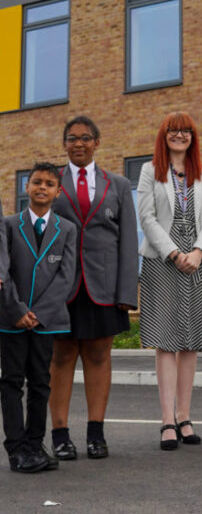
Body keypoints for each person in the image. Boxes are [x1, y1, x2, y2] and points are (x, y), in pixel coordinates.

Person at [49, 115, 138, 461]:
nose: (79, 144)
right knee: (61, 357)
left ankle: (96, 435)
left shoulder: (116, 185)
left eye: (86, 138)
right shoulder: (51, 182)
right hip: (60, 287)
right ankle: (59, 435)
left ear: (97, 143)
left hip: (103, 285)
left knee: (100, 356)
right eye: (72, 138)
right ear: (65, 144)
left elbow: (128, 241)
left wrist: (126, 293)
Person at [137, 112, 202, 450]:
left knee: (191, 341)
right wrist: (174, 253)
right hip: (163, 260)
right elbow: (146, 216)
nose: (180, 135)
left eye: (186, 131)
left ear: (193, 136)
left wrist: (199, 251)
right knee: (166, 341)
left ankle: (185, 416)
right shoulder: (149, 171)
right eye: (173, 130)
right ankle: (167, 421)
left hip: (200, 259)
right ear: (164, 135)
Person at [0, 163, 76, 473]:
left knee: (41, 383)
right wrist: (17, 311)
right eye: (36, 182)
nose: (41, 187)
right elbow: (4, 272)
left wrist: (39, 314)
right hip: (11, 319)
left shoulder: (67, 229)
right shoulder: (7, 225)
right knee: (12, 382)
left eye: (48, 184)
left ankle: (35, 443)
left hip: (47, 321)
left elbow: (65, 277)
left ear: (59, 192)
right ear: (26, 188)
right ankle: (16, 448)